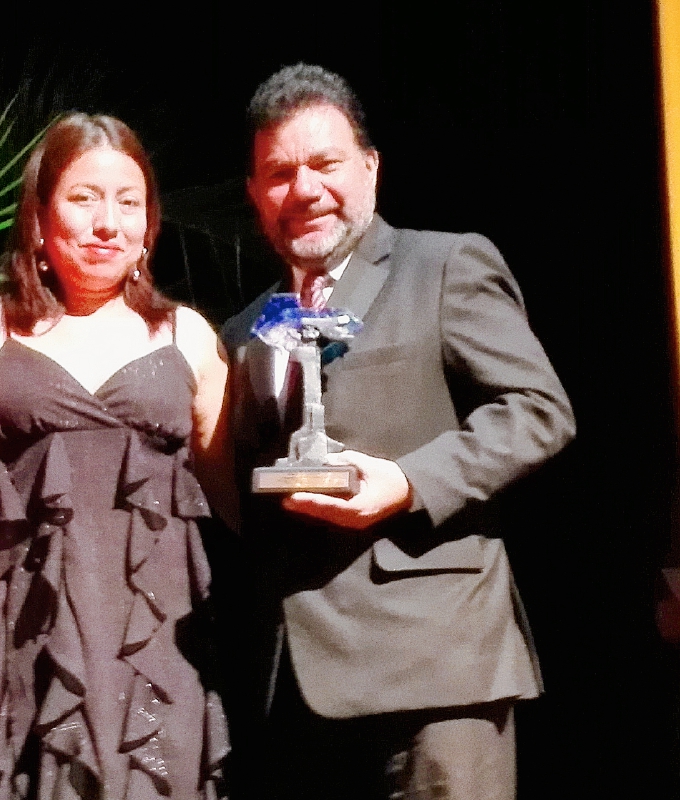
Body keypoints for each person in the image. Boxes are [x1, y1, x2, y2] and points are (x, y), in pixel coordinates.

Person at [222, 64, 576, 799]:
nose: (305, 190)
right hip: (296, 688)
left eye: (325, 164)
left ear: (371, 169)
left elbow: (540, 408)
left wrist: (409, 480)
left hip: (436, 672)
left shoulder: (443, 266)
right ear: (255, 194)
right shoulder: (245, 328)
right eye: (280, 173)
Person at [0, 113, 235, 800]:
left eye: (128, 202)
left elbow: (233, 506)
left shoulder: (188, 337)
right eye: (83, 198)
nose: (108, 222)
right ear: (40, 219)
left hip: (158, 658)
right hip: (31, 647)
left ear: (149, 224)